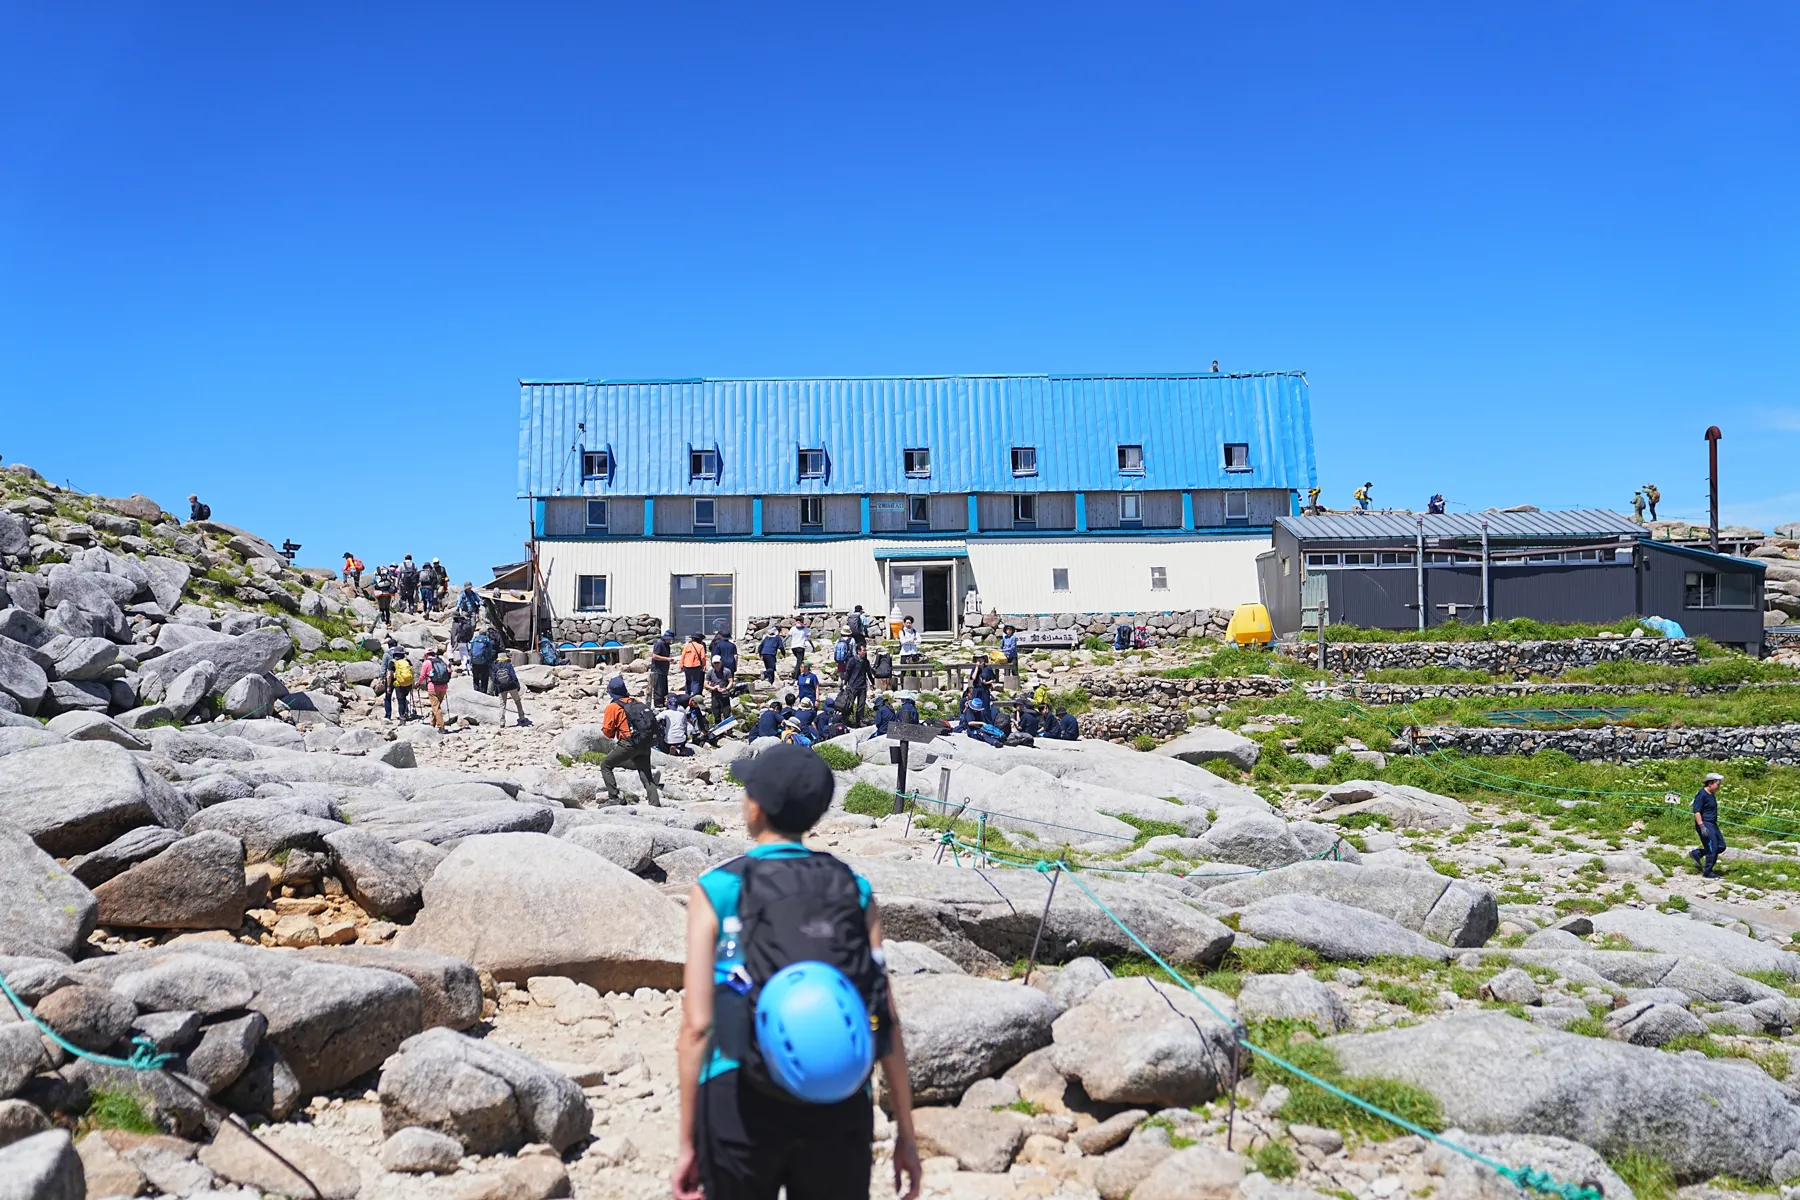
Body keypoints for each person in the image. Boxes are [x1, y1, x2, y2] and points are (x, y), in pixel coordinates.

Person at [672, 743, 923, 1200]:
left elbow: (697, 1027)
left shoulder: (716, 888)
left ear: (756, 808)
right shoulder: (853, 888)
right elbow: (883, 1017)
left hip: (738, 1092)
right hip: (838, 1092)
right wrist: (906, 1132)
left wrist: (688, 1140)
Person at [599, 676, 661, 806]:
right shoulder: (636, 701)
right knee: (646, 775)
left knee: (606, 765)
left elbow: (608, 732)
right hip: (644, 742)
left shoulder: (613, 707)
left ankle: (614, 797)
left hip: (628, 744)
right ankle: (655, 803)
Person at [1690, 772, 1726, 878]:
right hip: (1705, 823)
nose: (1719, 787)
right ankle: (1708, 871)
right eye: (1718, 784)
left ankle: (1697, 853)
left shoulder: (1712, 794)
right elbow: (1697, 811)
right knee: (1712, 847)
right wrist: (1701, 826)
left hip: (1712, 824)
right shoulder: (1701, 795)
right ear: (1710, 783)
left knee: (1721, 846)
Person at [490, 652, 529, 727]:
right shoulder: (509, 665)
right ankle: (522, 717)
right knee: (517, 701)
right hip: (511, 686)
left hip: (501, 688)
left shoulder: (495, 667)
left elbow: (494, 680)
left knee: (502, 704)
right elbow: (513, 676)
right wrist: (517, 685)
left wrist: (496, 688)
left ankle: (502, 722)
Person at [382, 639, 413, 723]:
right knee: (402, 699)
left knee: (388, 698)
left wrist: (383, 679)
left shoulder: (387, 655)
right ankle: (405, 713)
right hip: (403, 680)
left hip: (392, 680)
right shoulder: (405, 659)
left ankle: (388, 715)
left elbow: (384, 668)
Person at [419, 647, 451, 730]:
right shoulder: (441, 661)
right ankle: (432, 724)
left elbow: (422, 676)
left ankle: (441, 727)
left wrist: (418, 683)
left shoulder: (426, 663)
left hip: (433, 687)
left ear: (426, 655)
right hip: (443, 687)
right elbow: (449, 671)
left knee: (436, 707)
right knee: (436, 706)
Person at [839, 644, 871, 725]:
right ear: (858, 651)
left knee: (861, 705)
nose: (865, 652)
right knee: (849, 704)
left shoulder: (866, 661)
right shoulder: (852, 660)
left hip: (862, 686)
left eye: (865, 650)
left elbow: (868, 673)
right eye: (863, 650)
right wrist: (845, 683)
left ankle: (859, 721)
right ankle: (846, 720)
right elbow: (848, 673)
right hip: (852, 685)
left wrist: (872, 683)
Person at [467, 626, 499, 694]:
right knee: (484, 678)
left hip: (474, 662)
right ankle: (483, 692)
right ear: (486, 633)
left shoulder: (475, 640)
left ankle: (476, 690)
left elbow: (470, 651)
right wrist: (489, 659)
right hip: (484, 662)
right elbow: (490, 651)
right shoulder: (487, 640)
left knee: (475, 677)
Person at [650, 629, 675, 708]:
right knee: (658, 689)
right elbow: (654, 656)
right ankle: (659, 706)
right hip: (657, 670)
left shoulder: (666, 644)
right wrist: (667, 659)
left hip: (664, 670)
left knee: (664, 689)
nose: (670, 640)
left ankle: (665, 704)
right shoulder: (659, 643)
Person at [706, 655, 734, 723]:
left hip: (724, 694)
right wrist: (713, 688)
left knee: (727, 714)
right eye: (714, 663)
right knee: (716, 714)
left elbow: (731, 681)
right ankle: (718, 732)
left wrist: (726, 689)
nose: (716, 664)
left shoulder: (727, 671)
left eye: (717, 663)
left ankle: (729, 731)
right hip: (715, 695)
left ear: (721, 662)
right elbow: (705, 684)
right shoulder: (710, 672)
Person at [680, 634, 708, 698]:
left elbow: (683, 656)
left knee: (688, 681)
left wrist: (681, 665)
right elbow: (703, 657)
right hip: (696, 666)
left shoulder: (687, 646)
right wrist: (704, 665)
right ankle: (695, 697)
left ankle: (687, 695)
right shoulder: (701, 646)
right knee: (696, 681)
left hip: (687, 665)